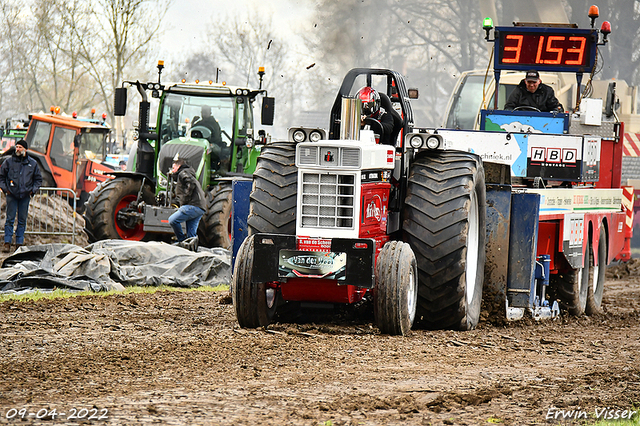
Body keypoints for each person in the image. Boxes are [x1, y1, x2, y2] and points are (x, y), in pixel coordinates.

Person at [0, 139, 42, 252]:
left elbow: (38, 179)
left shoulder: (32, 164)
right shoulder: (8, 162)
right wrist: (6, 190)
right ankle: (7, 242)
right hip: (11, 195)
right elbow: (1, 177)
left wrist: (32, 191)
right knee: (9, 219)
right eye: (17, 147)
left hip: (25, 196)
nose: (17, 149)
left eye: (20, 147)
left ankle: (19, 243)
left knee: (22, 220)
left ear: (25, 149)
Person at [167, 155, 207, 243]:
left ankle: (181, 241)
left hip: (192, 205)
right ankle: (190, 249)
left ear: (178, 166)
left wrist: (185, 199)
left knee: (172, 220)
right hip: (200, 207)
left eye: (173, 168)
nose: (172, 170)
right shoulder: (188, 172)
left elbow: (190, 183)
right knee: (191, 235)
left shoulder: (183, 173)